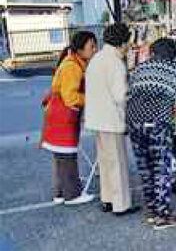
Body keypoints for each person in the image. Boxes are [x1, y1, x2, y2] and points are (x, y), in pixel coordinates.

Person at [127, 38, 176, 230]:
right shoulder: (173, 69)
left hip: (134, 121)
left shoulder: (139, 69)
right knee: (161, 168)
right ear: (173, 56)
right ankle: (163, 215)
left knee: (145, 168)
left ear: (152, 53)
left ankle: (152, 211)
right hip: (157, 123)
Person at [85, 23, 137, 216]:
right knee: (117, 164)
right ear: (122, 43)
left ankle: (107, 199)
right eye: (128, 43)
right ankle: (121, 205)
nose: (129, 47)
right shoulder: (115, 63)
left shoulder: (97, 58)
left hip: (96, 119)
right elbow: (120, 96)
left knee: (105, 162)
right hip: (110, 119)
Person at [41, 31, 97, 205]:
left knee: (60, 157)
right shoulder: (72, 66)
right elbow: (71, 97)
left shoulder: (73, 61)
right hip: (64, 116)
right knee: (67, 157)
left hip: (57, 115)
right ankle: (72, 195)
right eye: (91, 47)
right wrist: (91, 98)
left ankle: (60, 193)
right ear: (80, 49)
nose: (95, 50)